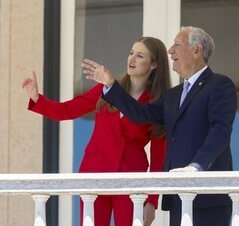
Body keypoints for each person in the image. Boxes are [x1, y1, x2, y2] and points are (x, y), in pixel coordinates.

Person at [82, 26, 237, 226]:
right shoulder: (173, 96)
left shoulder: (219, 85)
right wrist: (112, 85)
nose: (170, 50)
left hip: (208, 197)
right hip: (178, 196)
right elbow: (141, 114)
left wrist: (196, 167)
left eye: (177, 45)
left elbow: (220, 132)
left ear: (196, 51)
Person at [22, 36, 171, 226]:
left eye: (140, 56)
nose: (131, 59)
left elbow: (159, 159)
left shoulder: (157, 104)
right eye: (131, 53)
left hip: (131, 179)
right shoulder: (105, 88)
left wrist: (152, 201)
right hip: (94, 173)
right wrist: (37, 99)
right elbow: (66, 110)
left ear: (153, 64)